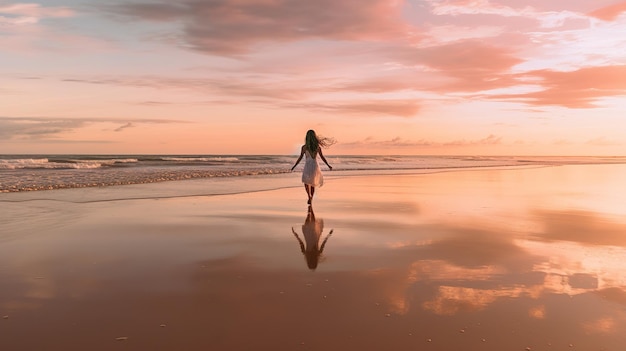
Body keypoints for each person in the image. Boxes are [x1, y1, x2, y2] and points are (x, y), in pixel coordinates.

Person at [291, 129, 333, 204]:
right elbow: (322, 157)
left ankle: (309, 196)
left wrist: (294, 165)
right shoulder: (317, 147)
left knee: (306, 182)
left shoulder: (304, 147)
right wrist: (328, 165)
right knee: (313, 183)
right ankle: (311, 198)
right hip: (315, 166)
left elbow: (300, 157)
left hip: (308, 166)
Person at [291, 206, 334, 270]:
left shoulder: (314, 253)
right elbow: (301, 243)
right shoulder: (308, 253)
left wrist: (329, 235)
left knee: (311, 219)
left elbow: (323, 244)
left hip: (313, 235)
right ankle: (310, 207)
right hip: (309, 234)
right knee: (309, 218)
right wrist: (295, 234)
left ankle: (310, 206)